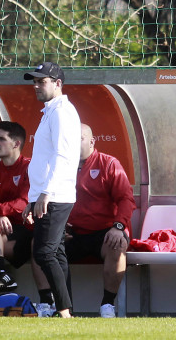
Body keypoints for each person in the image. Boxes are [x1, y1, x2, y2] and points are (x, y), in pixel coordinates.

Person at [0, 121, 53, 312]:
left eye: (1, 139)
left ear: (16, 144)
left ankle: (47, 302)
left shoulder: (31, 167)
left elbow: (25, 202)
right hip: (2, 234)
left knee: (38, 242)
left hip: (28, 230)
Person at [22, 62, 81, 318]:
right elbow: (46, 160)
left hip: (55, 195)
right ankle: (65, 310)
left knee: (44, 252)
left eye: (41, 81)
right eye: (34, 81)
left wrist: (46, 193)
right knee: (55, 253)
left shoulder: (61, 112)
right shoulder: (50, 112)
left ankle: (65, 311)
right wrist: (34, 197)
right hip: (48, 194)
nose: (36, 85)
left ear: (58, 83)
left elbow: (63, 156)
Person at [64, 123, 135, 318]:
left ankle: (107, 305)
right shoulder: (61, 166)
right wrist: (58, 227)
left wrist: (118, 227)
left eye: (79, 138)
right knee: (43, 243)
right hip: (73, 233)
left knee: (117, 243)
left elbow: (126, 199)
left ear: (92, 141)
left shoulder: (109, 163)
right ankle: (56, 305)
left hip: (105, 232)